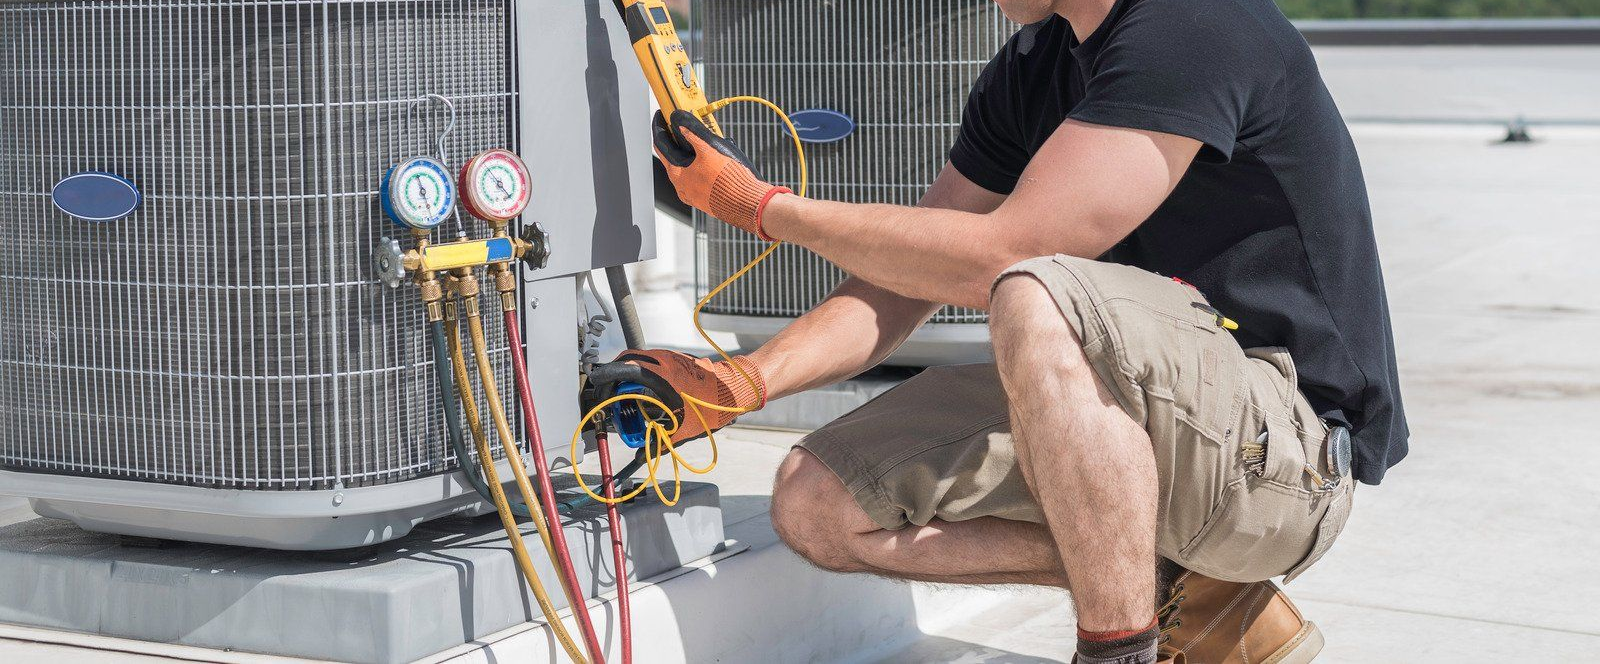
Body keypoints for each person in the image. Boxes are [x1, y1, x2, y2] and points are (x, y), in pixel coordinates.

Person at [616, 0, 1407, 660]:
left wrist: (765, 209)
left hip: (1286, 456)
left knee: (1033, 290)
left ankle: (1119, 653)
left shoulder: (1194, 24)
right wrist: (746, 382)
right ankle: (1195, 598)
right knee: (816, 503)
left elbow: (1009, 252)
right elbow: (902, 282)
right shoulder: (1034, 65)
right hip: (1168, 425)